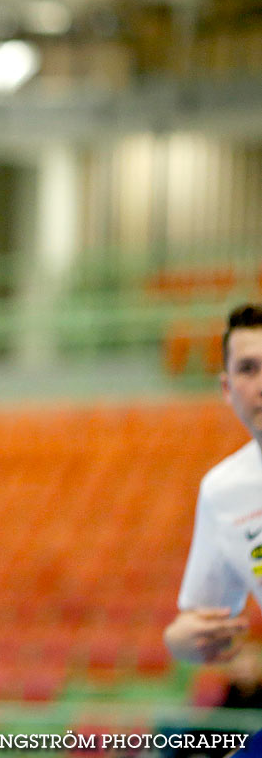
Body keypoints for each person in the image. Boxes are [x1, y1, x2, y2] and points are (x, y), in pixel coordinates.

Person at [164, 303, 262, 756]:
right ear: (227, 387)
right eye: (248, 368)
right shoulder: (224, 492)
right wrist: (179, 641)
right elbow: (201, 623)